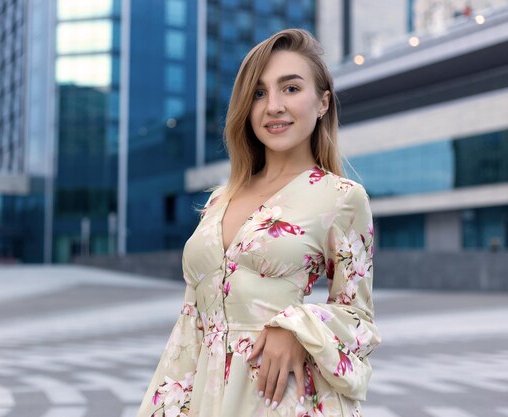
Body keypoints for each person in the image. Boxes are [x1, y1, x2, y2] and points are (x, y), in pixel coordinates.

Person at [137, 28, 380, 417]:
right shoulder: (221, 198)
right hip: (205, 396)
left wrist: (297, 327)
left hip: (278, 399)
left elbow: (360, 320)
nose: (274, 106)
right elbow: (191, 321)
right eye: (259, 93)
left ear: (322, 103)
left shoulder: (342, 198)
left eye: (291, 88)